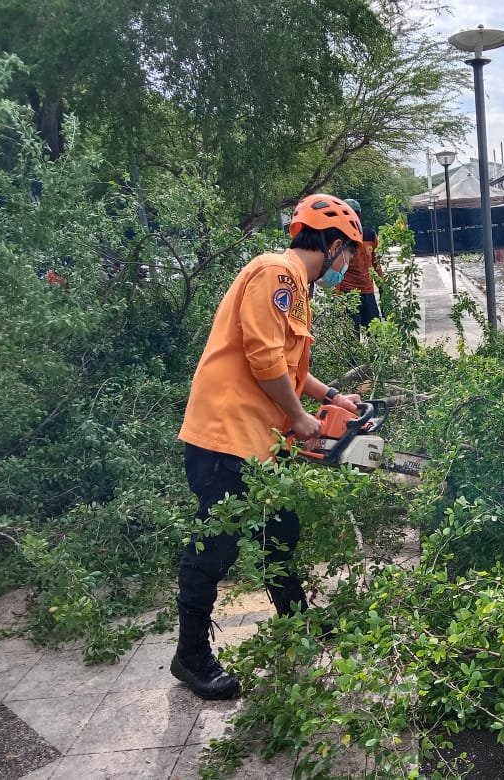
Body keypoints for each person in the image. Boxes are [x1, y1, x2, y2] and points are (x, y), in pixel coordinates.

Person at [172, 194, 363, 700]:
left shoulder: (293, 286)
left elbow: (285, 362)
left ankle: (296, 619)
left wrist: (328, 396)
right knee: (216, 545)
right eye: (349, 254)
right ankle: (189, 655)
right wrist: (301, 419)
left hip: (255, 442)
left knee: (280, 527)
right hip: (224, 436)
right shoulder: (276, 273)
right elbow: (261, 357)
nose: (347, 265)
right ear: (335, 245)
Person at [337, 198, 382, 337]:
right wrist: (337, 297)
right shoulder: (340, 238)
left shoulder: (370, 235)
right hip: (348, 294)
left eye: (353, 214)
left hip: (368, 292)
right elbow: (336, 268)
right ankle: (354, 360)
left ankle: (375, 359)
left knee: (376, 335)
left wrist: (382, 286)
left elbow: (376, 263)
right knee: (351, 338)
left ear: (359, 216)